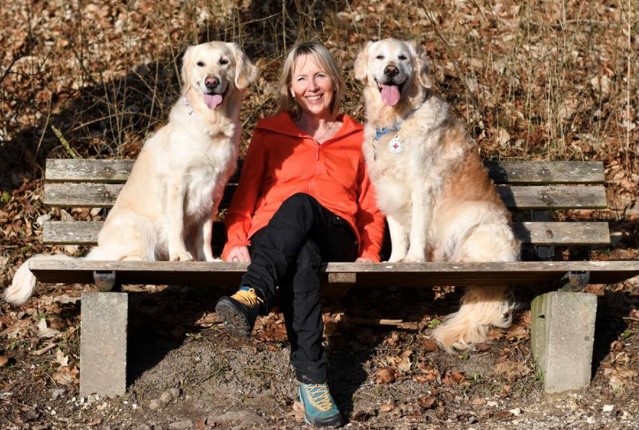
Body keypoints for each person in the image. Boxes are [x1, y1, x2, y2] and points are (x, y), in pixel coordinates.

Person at [215, 41, 385, 427]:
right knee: (303, 254)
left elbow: (372, 205)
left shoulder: (360, 137)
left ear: (335, 82)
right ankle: (313, 382)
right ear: (290, 87)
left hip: (338, 232)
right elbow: (245, 197)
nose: (312, 85)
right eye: (302, 77)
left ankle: (252, 292)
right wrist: (237, 239)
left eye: (320, 75)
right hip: (274, 236)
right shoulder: (269, 132)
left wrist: (371, 250)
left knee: (300, 204)